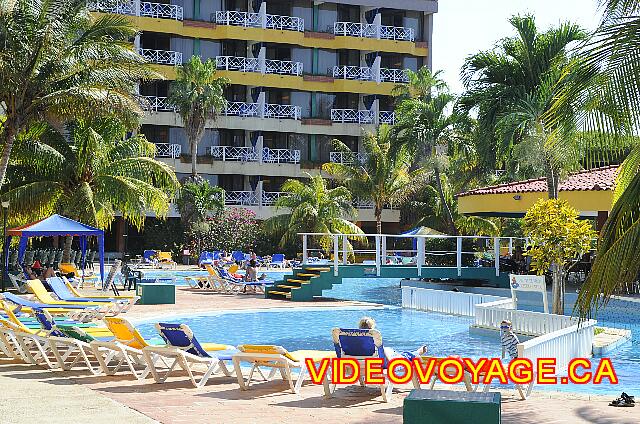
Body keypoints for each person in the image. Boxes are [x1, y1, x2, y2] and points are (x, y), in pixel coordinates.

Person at [358, 316, 428, 360]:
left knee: (395, 353)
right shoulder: (375, 338)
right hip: (382, 362)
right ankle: (418, 352)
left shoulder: (355, 340)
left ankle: (416, 352)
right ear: (372, 329)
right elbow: (385, 359)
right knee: (404, 355)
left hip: (361, 362)